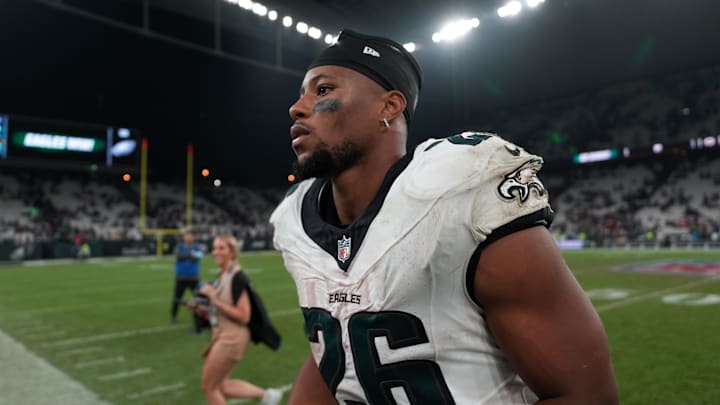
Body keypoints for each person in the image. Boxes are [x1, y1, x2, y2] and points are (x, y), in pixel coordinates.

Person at [270, 29, 619, 404]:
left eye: (322, 90)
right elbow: (334, 348)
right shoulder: (297, 218)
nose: (297, 107)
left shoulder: (459, 192)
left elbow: (586, 394)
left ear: (388, 107)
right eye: (302, 92)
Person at [195, 234, 282, 405]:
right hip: (223, 334)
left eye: (221, 248)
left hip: (232, 338)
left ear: (232, 251)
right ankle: (268, 396)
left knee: (209, 386)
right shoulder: (224, 275)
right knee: (223, 385)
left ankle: (268, 396)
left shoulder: (237, 277)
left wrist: (213, 297)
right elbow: (222, 308)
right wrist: (202, 308)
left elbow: (244, 316)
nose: (215, 252)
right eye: (214, 248)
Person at [170, 231, 203, 333]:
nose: (189, 237)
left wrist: (188, 256)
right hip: (181, 277)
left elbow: (198, 258)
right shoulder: (179, 247)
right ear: (184, 237)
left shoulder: (197, 247)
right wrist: (190, 255)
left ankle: (202, 318)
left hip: (193, 277)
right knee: (177, 297)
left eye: (191, 236)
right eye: (187, 236)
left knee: (199, 298)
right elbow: (179, 257)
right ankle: (173, 316)